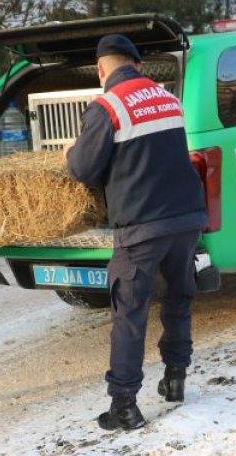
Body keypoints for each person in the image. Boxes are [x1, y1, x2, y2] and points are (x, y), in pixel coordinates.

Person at [66, 35, 207, 430]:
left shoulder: (108, 106)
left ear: (101, 70)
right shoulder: (168, 99)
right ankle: (175, 380)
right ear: (138, 65)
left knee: (129, 313)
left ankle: (124, 405)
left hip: (142, 225)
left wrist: (69, 153)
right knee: (178, 299)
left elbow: (82, 169)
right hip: (185, 218)